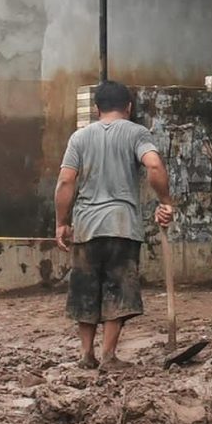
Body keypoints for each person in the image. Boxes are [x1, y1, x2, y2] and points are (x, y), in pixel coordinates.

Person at [55, 80, 176, 370]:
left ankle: (86, 354)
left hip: (86, 227)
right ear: (129, 108)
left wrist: (61, 223)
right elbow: (155, 166)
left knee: (85, 290)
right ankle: (108, 355)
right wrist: (166, 200)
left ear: (97, 109)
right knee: (118, 290)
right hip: (122, 226)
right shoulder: (137, 133)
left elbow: (65, 181)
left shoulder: (79, 138)